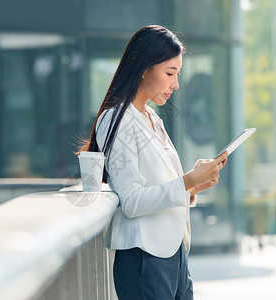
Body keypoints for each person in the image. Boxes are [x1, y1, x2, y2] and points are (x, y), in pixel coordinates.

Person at [77, 25, 228, 300]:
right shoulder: (116, 119)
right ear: (144, 68)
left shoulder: (151, 118)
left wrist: (193, 186)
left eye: (178, 74)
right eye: (170, 73)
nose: (176, 84)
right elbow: (132, 201)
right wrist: (188, 180)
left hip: (173, 254)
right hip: (144, 257)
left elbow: (160, 185)